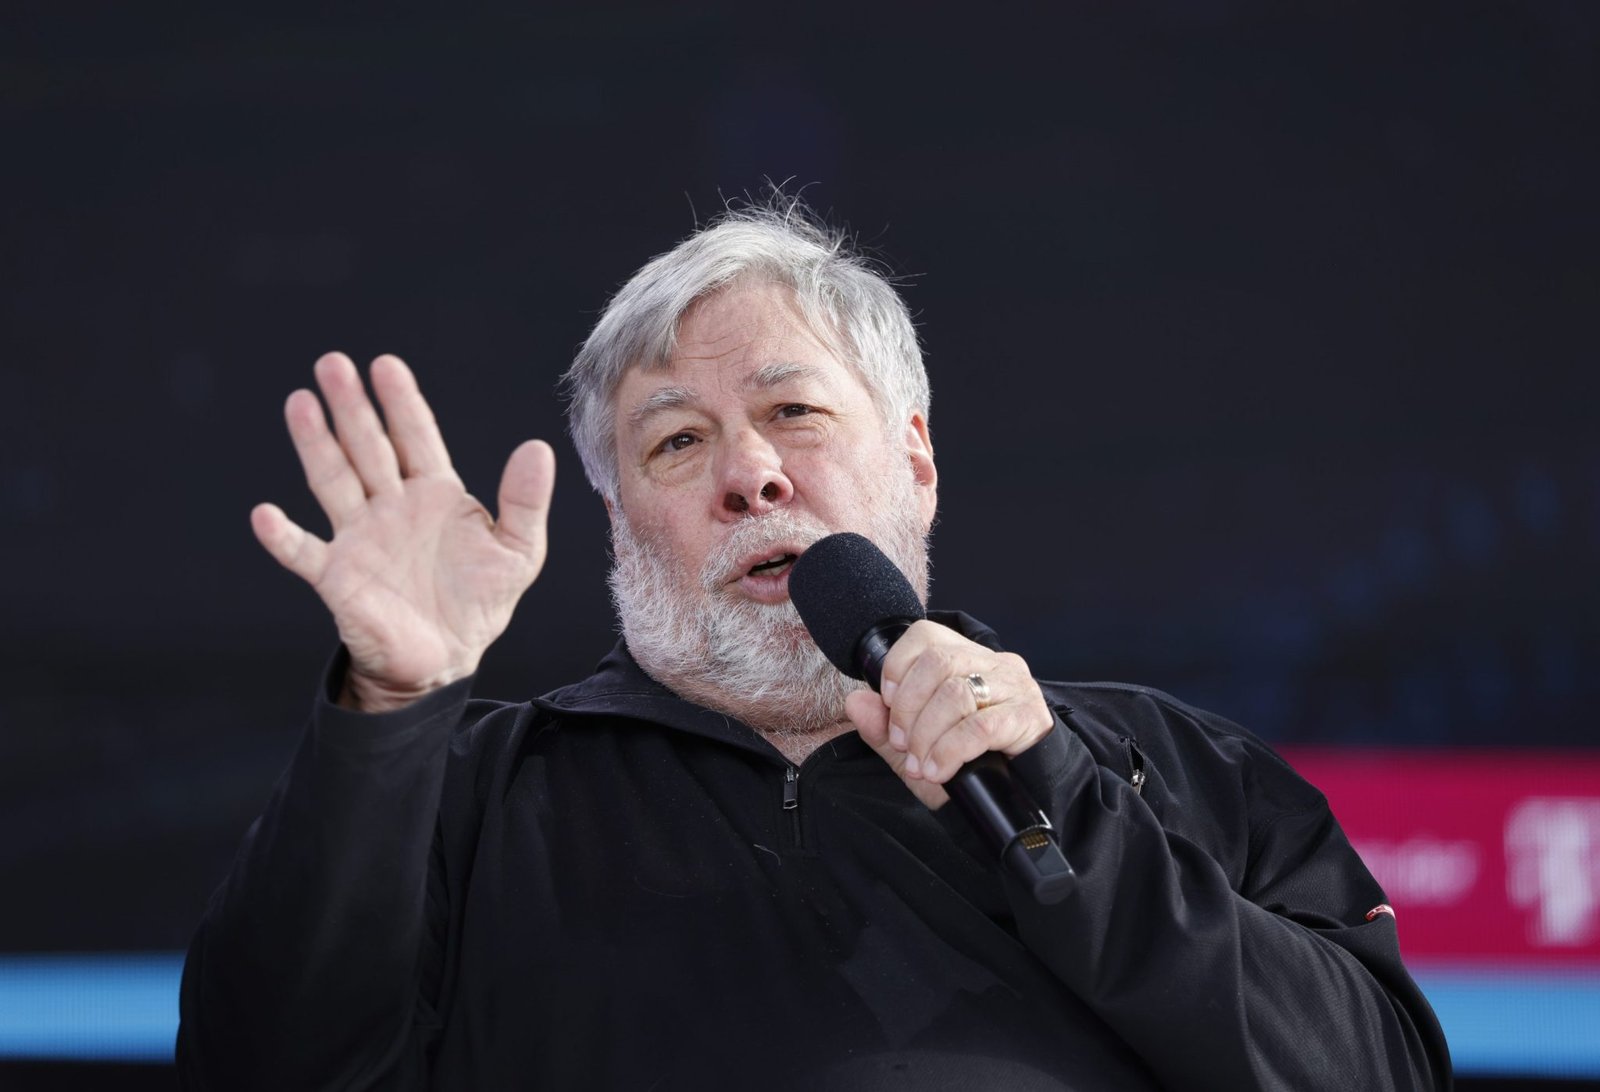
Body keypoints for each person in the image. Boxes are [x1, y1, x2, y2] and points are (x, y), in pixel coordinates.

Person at [177, 201, 1452, 1090]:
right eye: (676, 441)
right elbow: (256, 1069)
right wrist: (390, 709)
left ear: (915, 461)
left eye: (793, 410)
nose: (750, 475)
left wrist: (1063, 797)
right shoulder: (464, 797)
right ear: (617, 524)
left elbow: (1372, 1075)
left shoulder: (1164, 767)